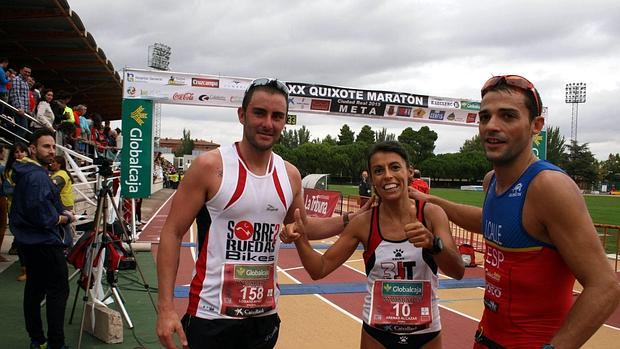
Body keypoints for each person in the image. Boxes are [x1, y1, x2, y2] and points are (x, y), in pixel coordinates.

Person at [156, 78, 370, 349]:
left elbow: (306, 228)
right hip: (212, 317)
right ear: (242, 115)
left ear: (284, 122)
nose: (268, 123)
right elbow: (173, 233)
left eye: (277, 116)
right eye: (260, 113)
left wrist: (353, 217)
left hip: (264, 319)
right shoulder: (210, 167)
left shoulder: (290, 175)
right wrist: (165, 308)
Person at [409, 75, 620, 348]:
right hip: (487, 336)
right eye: (485, 117)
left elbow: (605, 286)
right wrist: (429, 199)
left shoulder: (549, 186)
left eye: (507, 116)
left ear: (536, 125)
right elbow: (491, 222)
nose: (492, 126)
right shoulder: (492, 180)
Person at [289, 141, 464, 349]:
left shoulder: (432, 214)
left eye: (395, 167)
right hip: (378, 335)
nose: (388, 175)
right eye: (379, 170)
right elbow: (319, 269)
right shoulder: (363, 223)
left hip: (426, 332)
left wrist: (433, 245)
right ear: (371, 179)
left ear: (409, 172)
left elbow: (458, 271)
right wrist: (300, 238)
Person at [9, 128, 75, 349]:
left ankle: (37, 340)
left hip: (28, 242)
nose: (51, 151)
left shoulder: (26, 171)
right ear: (33, 148)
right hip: (44, 242)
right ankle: (57, 343)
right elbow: (43, 217)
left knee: (34, 290)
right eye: (46, 146)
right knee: (58, 291)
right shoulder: (37, 176)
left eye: (53, 146)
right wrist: (64, 218)